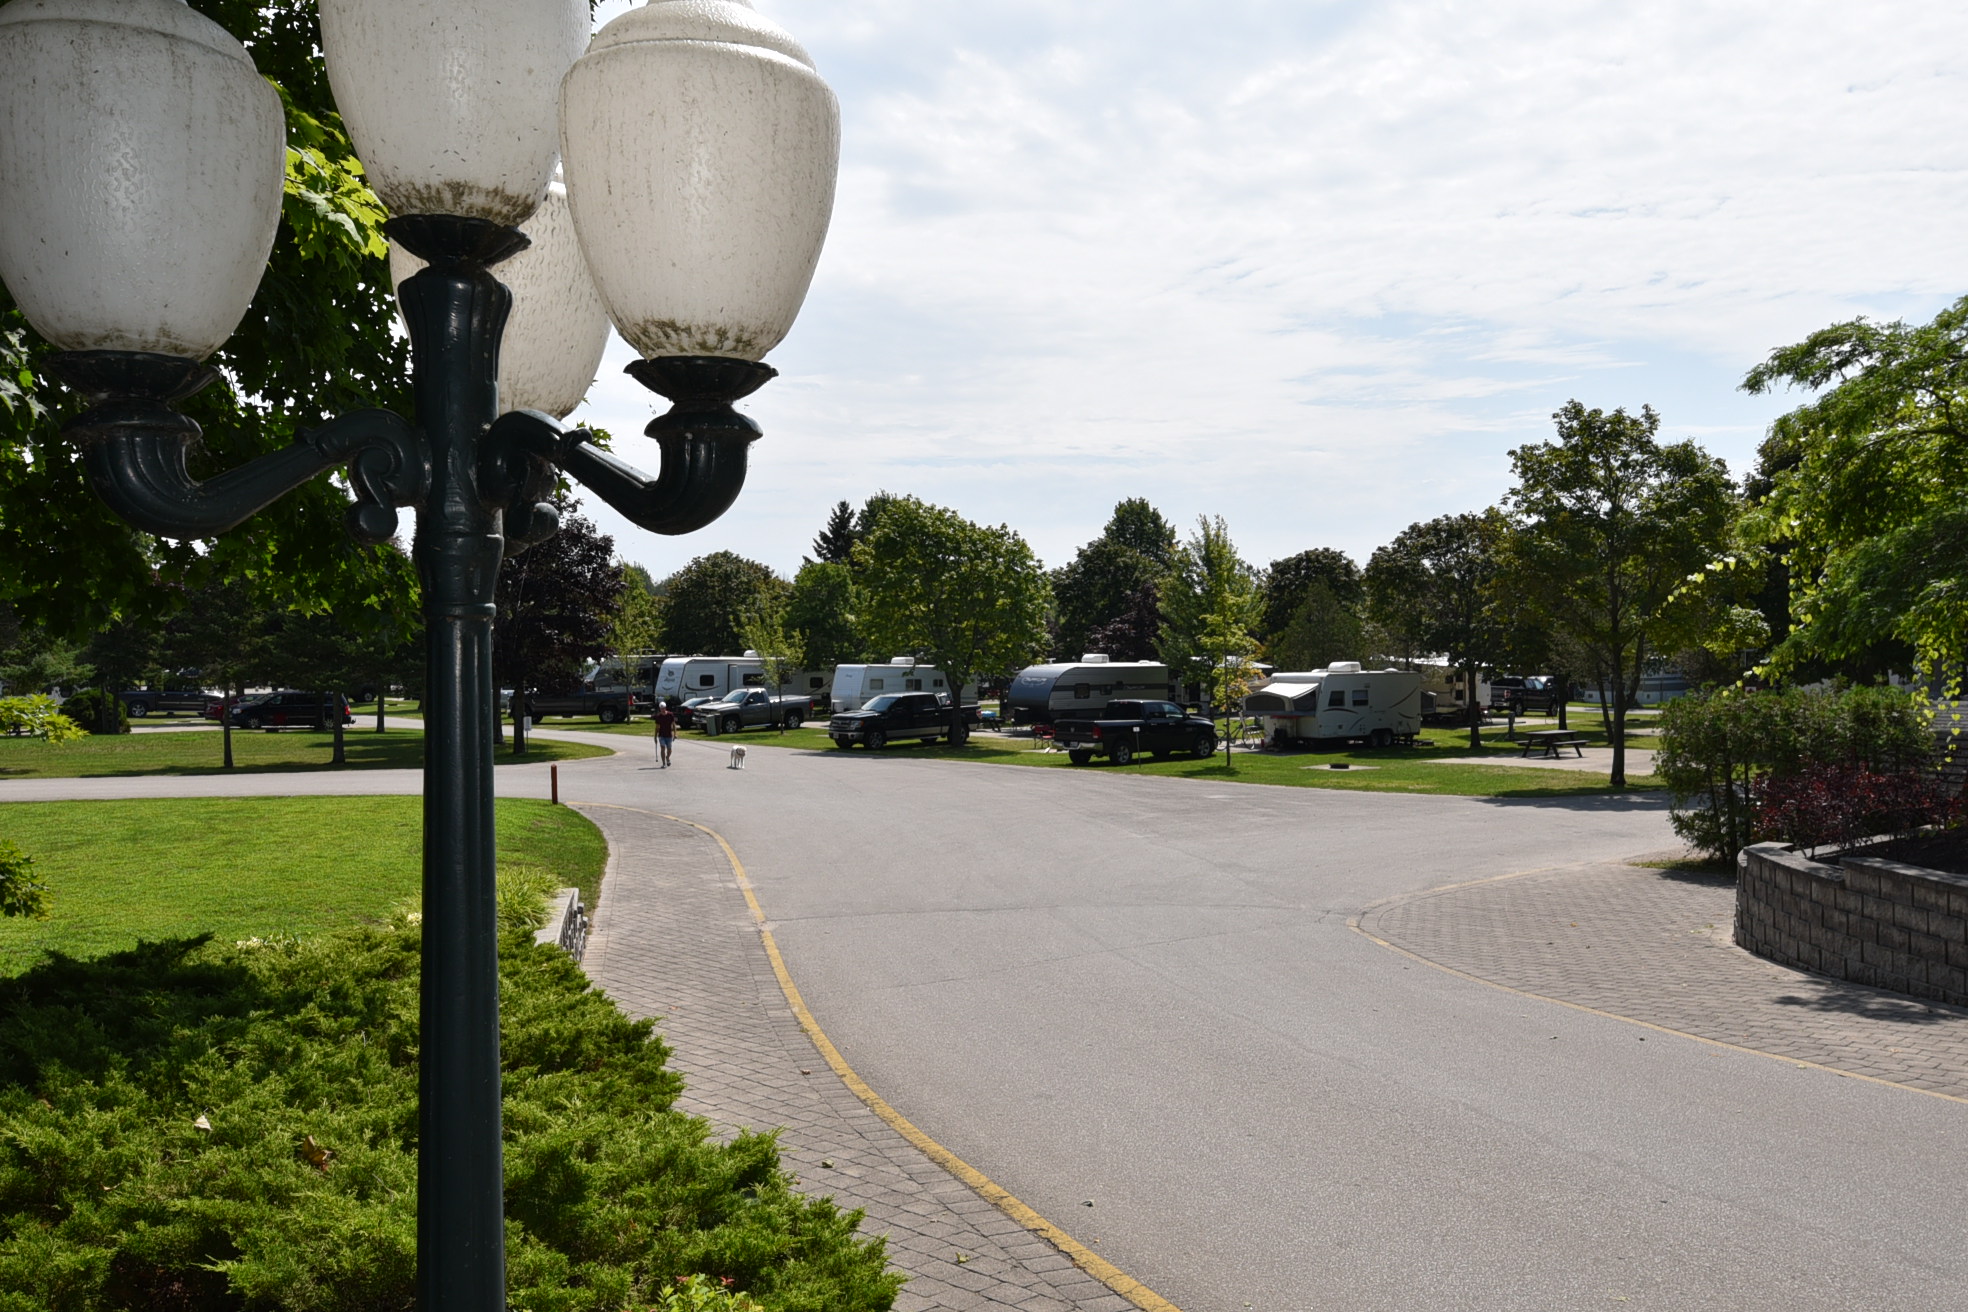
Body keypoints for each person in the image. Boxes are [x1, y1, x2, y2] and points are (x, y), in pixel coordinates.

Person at [654, 700, 677, 768]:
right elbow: (657, 727)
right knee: (662, 748)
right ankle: (664, 763)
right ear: (660, 709)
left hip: (669, 735)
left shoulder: (670, 715)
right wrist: (655, 737)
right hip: (661, 735)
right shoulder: (658, 717)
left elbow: (674, 725)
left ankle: (667, 758)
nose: (663, 710)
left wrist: (675, 734)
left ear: (665, 708)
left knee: (669, 749)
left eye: (663, 708)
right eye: (661, 708)